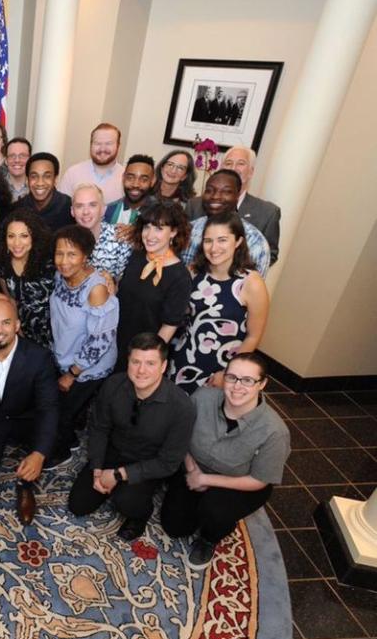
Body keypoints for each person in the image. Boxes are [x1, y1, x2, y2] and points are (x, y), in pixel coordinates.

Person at [161, 353, 290, 567]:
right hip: (194, 466)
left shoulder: (275, 432)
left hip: (238, 483)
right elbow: (180, 435)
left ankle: (209, 539)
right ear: (224, 378)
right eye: (232, 378)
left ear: (262, 384)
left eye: (248, 380)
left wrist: (205, 480)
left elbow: (260, 480)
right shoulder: (202, 398)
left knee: (215, 512)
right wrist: (192, 469)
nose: (237, 386)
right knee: (174, 527)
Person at [68, 333, 196, 540]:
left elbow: (169, 463)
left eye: (150, 363)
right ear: (128, 362)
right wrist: (98, 467)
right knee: (78, 505)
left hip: (148, 462)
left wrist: (118, 475)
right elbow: (99, 428)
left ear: (163, 367)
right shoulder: (113, 385)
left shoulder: (182, 407)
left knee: (126, 502)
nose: (141, 370)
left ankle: (141, 516)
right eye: (135, 362)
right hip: (114, 451)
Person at [0, 298, 58, 524]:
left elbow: (49, 408)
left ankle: (25, 486)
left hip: (27, 417)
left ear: (16, 326)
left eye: (6, 323)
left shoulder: (39, 357)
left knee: (52, 445)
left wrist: (39, 454)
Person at [170, 211, 270, 391]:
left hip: (222, 369)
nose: (214, 248)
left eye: (222, 240)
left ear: (238, 241)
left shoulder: (252, 283)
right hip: (184, 361)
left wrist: (229, 374)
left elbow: (253, 336)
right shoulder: (193, 272)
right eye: (208, 241)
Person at [49, 225, 120, 463]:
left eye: (72, 254)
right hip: (65, 354)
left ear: (85, 256)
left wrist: (72, 373)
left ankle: (62, 451)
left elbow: (99, 341)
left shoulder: (97, 289)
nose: (64, 261)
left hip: (88, 366)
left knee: (60, 414)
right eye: (59, 253)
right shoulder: (60, 275)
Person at [114, 201, 193, 371]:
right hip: (115, 343)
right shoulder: (136, 257)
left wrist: (148, 362)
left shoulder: (180, 276)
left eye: (159, 229)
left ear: (173, 232)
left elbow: (169, 326)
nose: (150, 235)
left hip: (142, 355)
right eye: (146, 227)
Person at [187, 147, 282, 265]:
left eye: (241, 163)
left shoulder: (267, 213)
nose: (233, 168)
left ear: (251, 171)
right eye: (228, 163)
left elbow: (269, 255)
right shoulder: (195, 205)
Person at [181, 170, 271, 277]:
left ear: (238, 196)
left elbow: (252, 289)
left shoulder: (255, 242)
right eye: (209, 190)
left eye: (226, 192)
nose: (215, 196)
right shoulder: (189, 229)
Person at [0, 209, 56, 348]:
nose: (17, 243)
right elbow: (10, 300)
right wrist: (19, 333)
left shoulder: (50, 263)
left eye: (24, 236)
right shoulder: (2, 265)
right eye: (11, 236)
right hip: (23, 334)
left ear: (34, 237)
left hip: (56, 331)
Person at [73, 183, 133, 281]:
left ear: (103, 210)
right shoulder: (65, 241)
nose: (86, 212)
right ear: (72, 211)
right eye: (79, 206)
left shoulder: (120, 240)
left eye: (92, 205)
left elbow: (124, 286)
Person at [58, 123, 126, 203]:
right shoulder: (72, 173)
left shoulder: (126, 177)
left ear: (118, 146)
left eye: (108, 143)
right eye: (97, 143)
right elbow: (61, 209)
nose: (102, 149)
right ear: (91, 145)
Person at [14, 152, 74, 232]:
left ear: (55, 179)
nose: (40, 183)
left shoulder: (69, 207)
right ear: (27, 180)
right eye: (34, 176)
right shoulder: (17, 209)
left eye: (47, 176)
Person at [104, 155, 156, 225]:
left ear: (152, 181)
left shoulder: (161, 212)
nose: (135, 184)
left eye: (144, 179)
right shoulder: (107, 210)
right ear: (123, 178)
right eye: (130, 178)